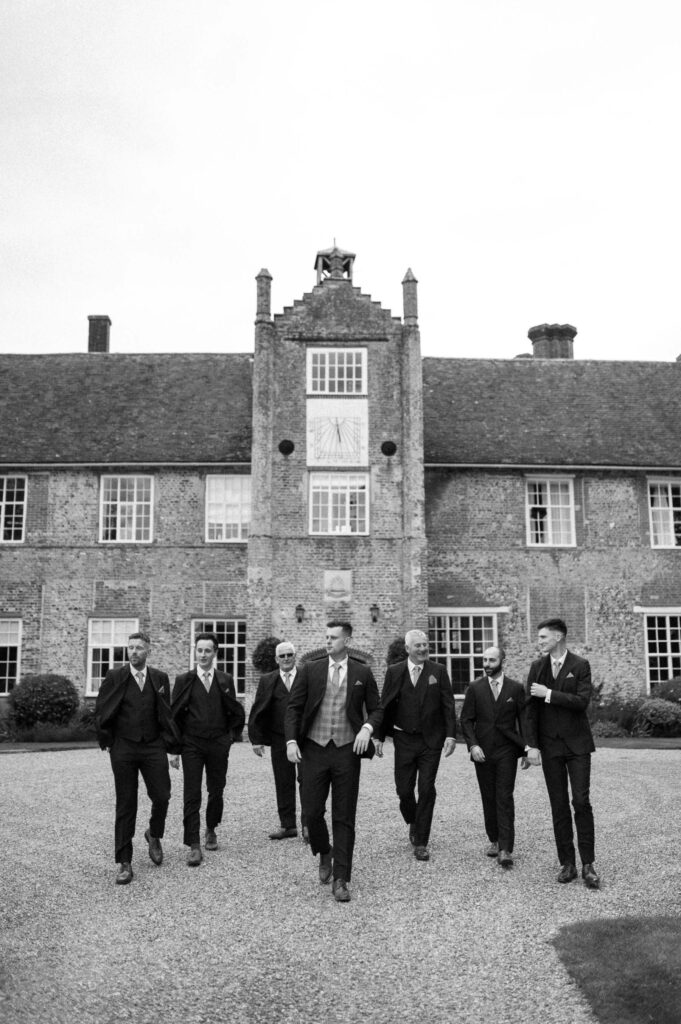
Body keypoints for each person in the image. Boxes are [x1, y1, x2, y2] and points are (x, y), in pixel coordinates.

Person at [285, 621, 382, 903]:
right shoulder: (310, 669)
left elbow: (377, 710)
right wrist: (291, 741)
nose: (328, 641)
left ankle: (341, 878)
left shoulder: (362, 672)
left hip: (346, 751)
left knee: (344, 815)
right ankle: (323, 849)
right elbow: (294, 708)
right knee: (312, 812)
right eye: (326, 637)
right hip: (313, 749)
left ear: (347, 640)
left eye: (334, 637)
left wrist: (367, 729)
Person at [94, 631, 178, 885]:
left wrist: (172, 746)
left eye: (139, 648)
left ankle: (153, 833)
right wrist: (107, 741)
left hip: (153, 745)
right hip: (124, 748)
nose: (134, 652)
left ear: (148, 651)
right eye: (130, 647)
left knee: (162, 795)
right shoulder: (115, 676)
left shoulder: (160, 678)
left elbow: (166, 714)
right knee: (126, 802)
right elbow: (102, 708)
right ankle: (124, 861)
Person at [525, 617, 599, 889]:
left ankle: (588, 864)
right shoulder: (536, 668)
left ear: (558, 637)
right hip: (550, 746)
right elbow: (529, 712)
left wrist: (548, 693)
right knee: (558, 805)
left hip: (577, 745)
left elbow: (581, 702)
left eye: (543, 637)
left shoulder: (580, 665)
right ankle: (567, 863)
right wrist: (531, 746)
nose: (540, 642)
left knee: (581, 802)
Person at [376, 628, 456, 862]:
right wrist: (379, 736)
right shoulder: (394, 671)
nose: (423, 648)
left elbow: (448, 705)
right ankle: (413, 819)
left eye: (425, 644)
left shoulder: (438, 672)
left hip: (431, 741)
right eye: (418, 645)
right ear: (408, 649)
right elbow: (385, 704)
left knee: (427, 788)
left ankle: (421, 841)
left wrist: (451, 735)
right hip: (403, 740)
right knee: (404, 790)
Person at [170, 632, 245, 866]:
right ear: (195, 652)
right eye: (199, 650)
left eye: (207, 651)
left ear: (215, 653)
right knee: (192, 793)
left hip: (218, 744)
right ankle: (193, 843)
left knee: (217, 790)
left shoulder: (225, 680)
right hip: (192, 743)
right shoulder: (185, 680)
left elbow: (234, 710)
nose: (203, 655)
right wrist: (174, 749)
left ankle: (211, 828)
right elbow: (173, 716)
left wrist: (230, 737)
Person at [460, 646, 528, 868]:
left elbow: (524, 720)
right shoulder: (475, 688)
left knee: (504, 797)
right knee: (488, 796)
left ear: (502, 661)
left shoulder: (516, 689)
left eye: (491, 660)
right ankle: (494, 839)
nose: (487, 664)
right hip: (483, 751)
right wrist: (472, 745)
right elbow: (466, 720)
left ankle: (506, 848)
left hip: (508, 751)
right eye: (484, 660)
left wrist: (527, 749)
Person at [248, 640, 306, 841]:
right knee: (283, 782)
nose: (286, 658)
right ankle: (288, 825)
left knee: (307, 781)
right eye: (282, 656)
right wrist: (256, 739)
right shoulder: (268, 680)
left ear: (295, 655)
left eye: (289, 654)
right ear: (276, 659)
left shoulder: (306, 676)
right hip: (279, 738)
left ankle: (308, 824)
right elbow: (258, 708)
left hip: (305, 738)